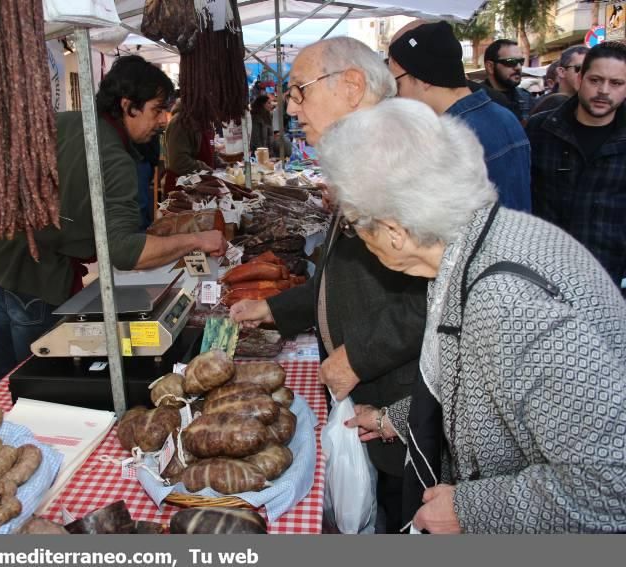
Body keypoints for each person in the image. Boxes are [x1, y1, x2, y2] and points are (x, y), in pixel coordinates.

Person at [318, 97, 626, 533]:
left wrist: (469, 508)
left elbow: (612, 485)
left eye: (352, 224)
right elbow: (476, 384)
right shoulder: (475, 247)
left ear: (394, 231)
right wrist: (395, 419)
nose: (355, 236)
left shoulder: (506, 300)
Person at [230, 36, 427, 534]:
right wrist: (275, 309)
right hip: (375, 400)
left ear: (352, 86)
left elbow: (435, 298)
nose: (291, 107)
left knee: (405, 518)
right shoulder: (365, 156)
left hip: (404, 404)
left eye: (300, 90)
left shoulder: (401, 161)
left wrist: (357, 356)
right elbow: (344, 277)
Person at [0, 56, 227, 394]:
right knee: (37, 382)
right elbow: (125, 253)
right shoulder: (113, 157)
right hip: (36, 277)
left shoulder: (66, 121)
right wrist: (198, 240)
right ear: (128, 106)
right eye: (156, 110)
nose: (164, 120)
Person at [388, 21, 532, 212]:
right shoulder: (504, 117)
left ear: (423, 78)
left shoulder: (451, 139)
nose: (397, 94)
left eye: (397, 83)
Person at [526, 41, 626, 295]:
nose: (604, 90)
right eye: (595, 80)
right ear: (579, 78)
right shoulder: (540, 129)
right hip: (541, 275)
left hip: (607, 281)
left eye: (616, 83)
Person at [163, 101, 216, 194]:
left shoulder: (205, 121)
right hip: (182, 191)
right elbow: (179, 161)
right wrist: (207, 170)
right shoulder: (180, 122)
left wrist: (220, 163)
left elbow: (208, 151)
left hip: (203, 188)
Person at [484, 39, 533, 121]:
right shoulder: (475, 101)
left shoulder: (527, 98)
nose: (518, 67)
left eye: (521, 61)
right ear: (490, 67)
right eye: (511, 61)